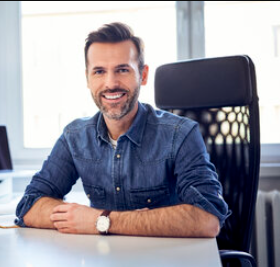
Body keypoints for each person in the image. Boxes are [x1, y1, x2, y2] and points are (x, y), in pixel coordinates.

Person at [15, 22, 229, 237]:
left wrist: (101, 221)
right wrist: (88, 219)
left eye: (122, 70)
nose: (110, 83)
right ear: (88, 79)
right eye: (99, 71)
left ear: (143, 75)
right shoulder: (75, 137)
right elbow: (29, 205)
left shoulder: (181, 134)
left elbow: (207, 219)